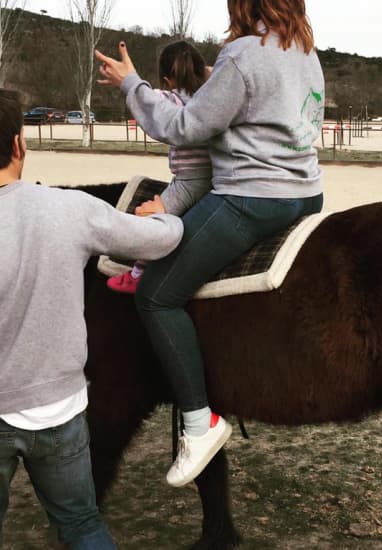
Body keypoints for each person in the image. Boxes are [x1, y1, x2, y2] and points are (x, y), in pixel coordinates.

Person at [95, 0, 325, 488]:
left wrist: (132, 85)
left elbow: (184, 127)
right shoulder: (304, 50)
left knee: (156, 294)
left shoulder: (242, 55)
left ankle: (201, 423)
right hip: (305, 194)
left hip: (251, 198)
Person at [0, 90, 184, 548]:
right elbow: (157, 243)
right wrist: (166, 217)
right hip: (58, 410)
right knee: (82, 526)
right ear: (20, 145)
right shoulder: (67, 209)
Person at [107, 40, 212, 294]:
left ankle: (139, 273)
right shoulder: (212, 95)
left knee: (154, 221)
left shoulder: (169, 99)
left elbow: (147, 100)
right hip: (217, 173)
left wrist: (127, 80)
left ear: (167, 80)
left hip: (190, 181)